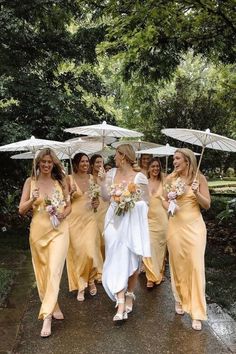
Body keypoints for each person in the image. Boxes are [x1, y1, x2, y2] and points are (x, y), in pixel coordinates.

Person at [19, 148, 71, 338]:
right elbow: (21, 210)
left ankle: (47, 315)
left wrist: (62, 213)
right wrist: (32, 199)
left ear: (53, 163)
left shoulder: (60, 182)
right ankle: (53, 304)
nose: (47, 165)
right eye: (44, 162)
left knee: (55, 269)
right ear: (38, 163)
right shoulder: (30, 182)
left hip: (59, 231)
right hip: (38, 232)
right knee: (42, 271)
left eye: (50, 162)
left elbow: (69, 206)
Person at [98, 144, 151, 323]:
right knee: (116, 258)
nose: (113, 158)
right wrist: (101, 182)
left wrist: (128, 201)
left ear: (124, 156)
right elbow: (105, 198)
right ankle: (120, 303)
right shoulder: (111, 173)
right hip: (113, 221)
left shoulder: (140, 177)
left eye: (116, 154)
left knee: (132, 260)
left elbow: (146, 204)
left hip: (131, 223)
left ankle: (128, 294)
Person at [163, 148, 211, 331]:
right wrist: (170, 204)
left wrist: (197, 192)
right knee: (178, 265)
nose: (174, 161)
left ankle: (197, 312)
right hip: (175, 227)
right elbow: (163, 200)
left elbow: (207, 205)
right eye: (174, 159)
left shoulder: (200, 179)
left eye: (177, 159)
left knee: (196, 266)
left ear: (187, 161)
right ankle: (179, 299)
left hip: (195, 228)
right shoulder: (170, 179)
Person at [66, 153, 103, 302]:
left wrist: (96, 203)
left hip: (90, 219)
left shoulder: (93, 179)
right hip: (74, 221)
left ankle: (92, 279)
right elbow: (62, 200)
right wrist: (69, 194)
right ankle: (82, 285)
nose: (85, 164)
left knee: (90, 251)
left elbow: (97, 202)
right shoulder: (68, 179)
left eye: (87, 161)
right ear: (76, 163)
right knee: (79, 254)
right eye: (82, 161)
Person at [143, 157, 168, 288]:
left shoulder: (164, 182)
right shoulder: (144, 183)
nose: (155, 169)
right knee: (149, 245)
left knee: (160, 247)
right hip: (147, 219)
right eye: (153, 166)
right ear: (148, 168)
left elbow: (168, 200)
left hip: (162, 219)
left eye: (157, 166)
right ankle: (150, 276)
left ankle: (159, 271)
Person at [90, 154, 109, 261]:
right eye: (97, 162)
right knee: (94, 239)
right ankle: (97, 268)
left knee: (105, 240)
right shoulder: (89, 178)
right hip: (92, 211)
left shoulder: (106, 178)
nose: (99, 164)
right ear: (92, 165)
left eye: (101, 162)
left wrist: (103, 181)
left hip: (104, 210)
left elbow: (107, 197)